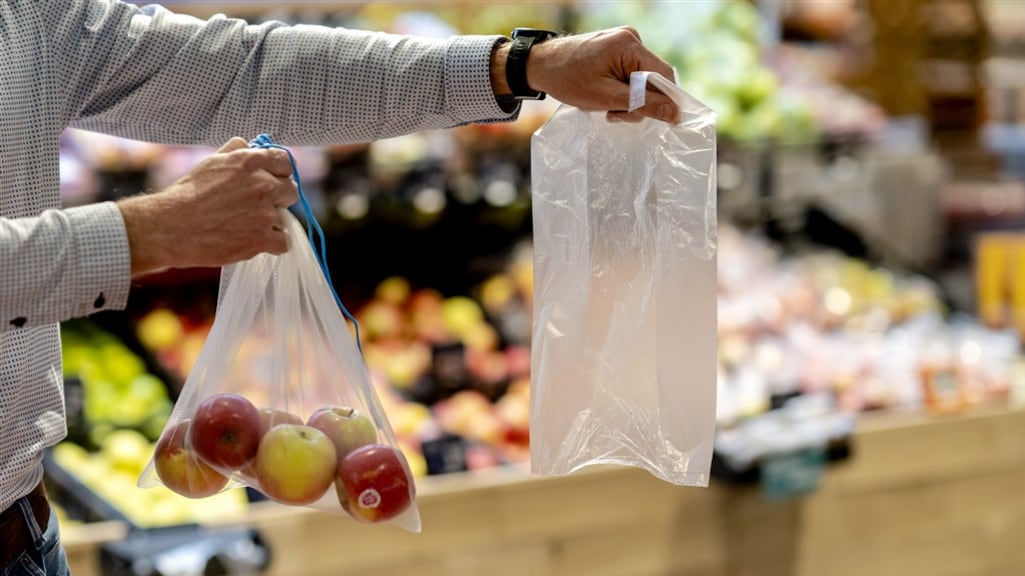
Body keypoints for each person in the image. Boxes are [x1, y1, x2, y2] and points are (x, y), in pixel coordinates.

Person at [0, 0, 680, 573]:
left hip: (21, 533)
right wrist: (146, 232)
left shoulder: (28, 13)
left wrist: (517, 66)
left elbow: (241, 71)